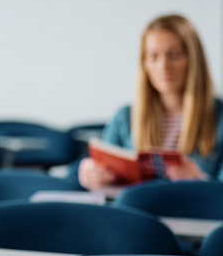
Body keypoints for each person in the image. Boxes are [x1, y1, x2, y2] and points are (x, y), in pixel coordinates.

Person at [79, 14, 223, 189]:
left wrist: (200, 180)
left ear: (194, 59)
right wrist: (91, 175)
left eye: (174, 55)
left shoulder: (219, 117)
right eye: (153, 57)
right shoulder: (125, 118)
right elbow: (103, 178)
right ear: (144, 63)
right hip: (137, 214)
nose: (163, 66)